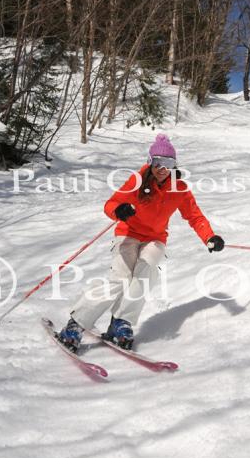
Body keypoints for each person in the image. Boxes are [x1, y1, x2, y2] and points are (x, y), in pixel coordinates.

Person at [58, 134, 225, 351]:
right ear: (150, 162)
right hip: (128, 233)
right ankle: (76, 324)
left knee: (145, 273)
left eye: (168, 163)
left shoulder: (179, 188)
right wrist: (119, 210)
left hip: (155, 239)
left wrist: (209, 237)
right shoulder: (137, 180)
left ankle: (121, 322)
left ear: (174, 165)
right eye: (157, 162)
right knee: (120, 278)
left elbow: (195, 216)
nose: (161, 168)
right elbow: (112, 203)